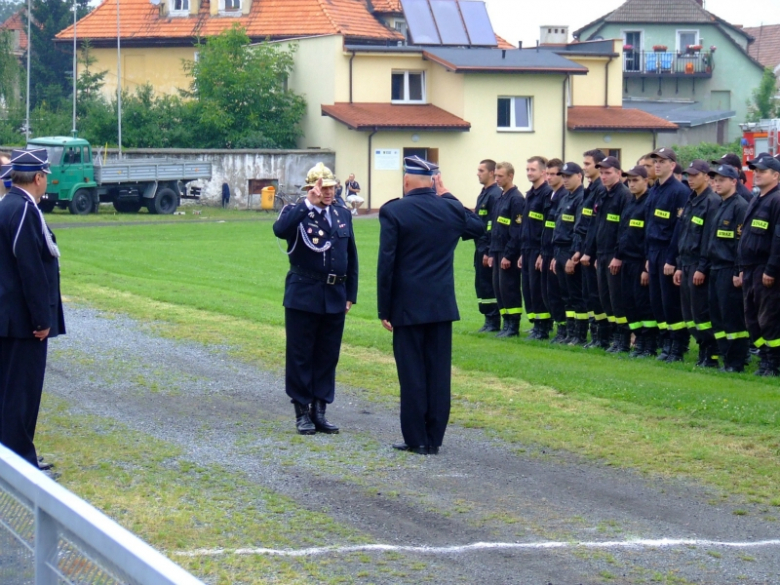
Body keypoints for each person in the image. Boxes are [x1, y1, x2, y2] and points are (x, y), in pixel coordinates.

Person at [378, 156, 482, 455]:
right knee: (438, 374)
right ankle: (434, 438)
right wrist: (448, 195)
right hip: (440, 305)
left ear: (407, 181)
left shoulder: (394, 211)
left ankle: (416, 438)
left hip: (407, 305)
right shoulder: (449, 209)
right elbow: (478, 227)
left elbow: (387, 264)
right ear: (433, 182)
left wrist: (384, 309)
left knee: (412, 373)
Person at [272, 163, 358, 434]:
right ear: (311, 188)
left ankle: (320, 410)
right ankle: (301, 411)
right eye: (323, 187)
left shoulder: (342, 213)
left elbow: (351, 256)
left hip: (334, 294)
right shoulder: (296, 212)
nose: (329, 192)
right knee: (301, 354)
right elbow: (280, 230)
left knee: (327, 355)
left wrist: (350, 294)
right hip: (304, 293)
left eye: (332, 187)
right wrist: (307, 204)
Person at [0, 148, 65, 472]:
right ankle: (20, 462)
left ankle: (15, 453)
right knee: (21, 394)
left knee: (11, 390)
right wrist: (42, 319)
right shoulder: (23, 210)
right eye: (45, 177)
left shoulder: (9, 205)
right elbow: (30, 270)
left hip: (9, 317)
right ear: (38, 178)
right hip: (22, 321)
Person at [673, 160, 721, 367]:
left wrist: (702, 267)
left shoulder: (712, 201)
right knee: (689, 314)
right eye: (688, 175)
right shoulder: (691, 200)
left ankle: (711, 353)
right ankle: (702, 348)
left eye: (694, 175)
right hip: (685, 264)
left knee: (702, 312)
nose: (689, 179)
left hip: (698, 266)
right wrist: (678, 265)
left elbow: (709, 239)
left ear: (706, 176)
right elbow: (683, 234)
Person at [646, 147, 690, 362]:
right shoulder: (655, 189)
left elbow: (678, 230)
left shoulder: (679, 191)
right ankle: (666, 342)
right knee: (657, 302)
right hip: (653, 252)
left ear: (672, 165)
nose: (657, 164)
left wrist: (671, 259)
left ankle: (677, 346)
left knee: (670, 302)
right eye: (655, 161)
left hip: (667, 252)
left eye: (662, 161)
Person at [738, 154, 780, 376]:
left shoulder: (777, 200)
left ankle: (773, 363)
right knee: (752, 317)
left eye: (762, 171)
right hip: (750, 268)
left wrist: (771, 269)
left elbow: (778, 239)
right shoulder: (757, 198)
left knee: (769, 317)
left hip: (766, 270)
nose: (757, 174)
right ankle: (764, 357)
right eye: (755, 170)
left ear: (776, 175)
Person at [706, 164, 749, 372]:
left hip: (728, 269)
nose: (717, 183)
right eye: (714, 179)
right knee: (718, 317)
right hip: (715, 268)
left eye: (721, 179)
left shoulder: (740, 206)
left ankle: (736, 361)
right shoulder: (719, 205)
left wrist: (736, 271)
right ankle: (725, 357)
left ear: (734, 181)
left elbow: (741, 243)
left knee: (732, 318)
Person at [590, 156, 631, 352]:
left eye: (608, 173)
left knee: (618, 300)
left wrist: (618, 255)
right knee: (605, 299)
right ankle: (615, 338)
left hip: (615, 255)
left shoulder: (624, 195)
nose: (604, 176)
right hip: (602, 253)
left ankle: (623, 340)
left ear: (618, 172)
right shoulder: (602, 194)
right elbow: (596, 225)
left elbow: (625, 230)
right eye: (602, 173)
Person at [615, 165, 655, 357]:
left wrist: (647, 265)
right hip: (627, 261)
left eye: (635, 180)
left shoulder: (649, 203)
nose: (631, 184)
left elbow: (649, 235)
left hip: (640, 261)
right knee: (629, 304)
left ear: (646, 181)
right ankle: (638, 340)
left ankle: (649, 344)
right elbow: (622, 232)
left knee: (643, 304)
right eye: (629, 180)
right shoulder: (630, 202)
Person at [574, 150, 607, 347]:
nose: (584, 167)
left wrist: (589, 252)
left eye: (587, 164)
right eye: (584, 163)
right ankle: (596, 335)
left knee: (596, 295)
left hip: (594, 252)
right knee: (589, 294)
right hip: (585, 247)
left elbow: (596, 225)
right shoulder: (591, 188)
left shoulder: (600, 190)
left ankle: (602, 337)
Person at [552, 162, 588, 345]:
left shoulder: (582, 198)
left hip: (570, 250)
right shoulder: (565, 197)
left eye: (568, 176)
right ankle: (569, 331)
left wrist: (573, 255)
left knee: (576, 295)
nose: (564, 180)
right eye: (563, 176)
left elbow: (578, 229)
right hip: (559, 250)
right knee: (565, 295)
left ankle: (579, 335)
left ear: (579, 176)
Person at [488, 162, 524, 337]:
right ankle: (505, 323)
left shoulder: (516, 198)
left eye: (500, 176)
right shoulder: (500, 197)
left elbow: (516, 230)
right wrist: (491, 251)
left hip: (508, 252)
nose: (497, 179)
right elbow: (496, 226)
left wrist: (509, 254)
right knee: (499, 288)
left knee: (509, 288)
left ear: (510, 176)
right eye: (495, 175)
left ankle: (513, 325)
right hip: (497, 249)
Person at [520, 156, 552, 339]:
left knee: (538, 289)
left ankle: (543, 327)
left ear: (543, 172)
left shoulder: (546, 194)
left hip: (538, 248)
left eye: (532, 170)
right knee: (529, 289)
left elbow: (546, 225)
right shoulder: (530, 194)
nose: (529, 173)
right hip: (527, 248)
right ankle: (535, 324)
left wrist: (542, 252)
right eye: (527, 170)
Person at [540, 159, 567, 343]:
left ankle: (565, 330)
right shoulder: (551, 196)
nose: (549, 177)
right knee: (550, 293)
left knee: (560, 293)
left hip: (559, 251)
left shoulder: (564, 197)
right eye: (547, 174)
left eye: (553, 174)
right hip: (548, 250)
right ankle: (560, 327)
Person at [474, 160, 502, 332]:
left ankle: (493, 320)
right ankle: (488, 319)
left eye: (481, 170)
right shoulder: (484, 193)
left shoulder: (494, 195)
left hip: (487, 248)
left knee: (488, 284)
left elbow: (492, 226)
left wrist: (488, 250)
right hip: (480, 246)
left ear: (491, 173)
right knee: (482, 283)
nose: (478, 173)